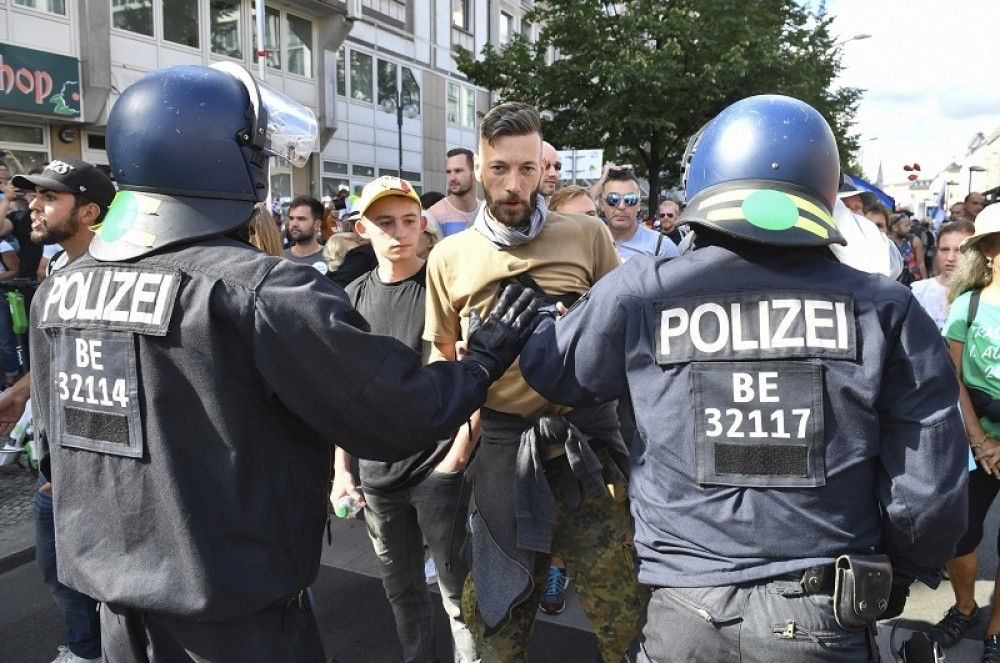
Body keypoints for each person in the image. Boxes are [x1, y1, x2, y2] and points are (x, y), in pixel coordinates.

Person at [28, 62, 542, 663]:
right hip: (239, 619)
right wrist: (482, 360)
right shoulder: (264, 291)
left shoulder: (57, 293)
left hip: (120, 619)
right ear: (221, 159)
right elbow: (397, 413)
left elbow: (54, 448)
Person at [518, 94, 969, 663]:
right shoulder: (884, 310)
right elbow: (928, 495)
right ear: (824, 188)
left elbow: (555, 373)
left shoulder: (643, 293)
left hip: (682, 610)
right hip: (822, 615)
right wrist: (903, 569)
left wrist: (539, 318)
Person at [424, 101, 645, 663]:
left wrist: (580, 328)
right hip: (501, 455)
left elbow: (627, 333)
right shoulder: (450, 256)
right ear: (479, 167)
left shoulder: (587, 235)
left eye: (527, 168)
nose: (514, 184)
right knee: (497, 628)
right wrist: (459, 433)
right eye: (500, 168)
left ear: (543, 167)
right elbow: (440, 357)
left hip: (585, 453)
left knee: (628, 624)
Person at [331, 176, 478, 663]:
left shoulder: (445, 286)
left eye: (409, 221)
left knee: (458, 597)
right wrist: (342, 471)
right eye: (385, 222)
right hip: (378, 476)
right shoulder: (349, 297)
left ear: (423, 224)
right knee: (403, 594)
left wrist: (454, 460)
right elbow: (344, 395)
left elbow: (472, 377)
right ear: (362, 229)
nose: (400, 232)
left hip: (438, 468)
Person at [2, 157, 115, 663]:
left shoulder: (119, 272)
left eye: (49, 197)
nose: (33, 206)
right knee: (57, 569)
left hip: (97, 464)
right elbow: (58, 355)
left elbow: (117, 377)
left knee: (112, 577)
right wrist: (22, 393)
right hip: (53, 459)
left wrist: (78, 460)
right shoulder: (56, 267)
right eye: (32, 196)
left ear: (89, 211)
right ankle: (86, 650)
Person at [933, 203, 1000, 661]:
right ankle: (965, 606)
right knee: (959, 535)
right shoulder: (969, 302)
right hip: (976, 442)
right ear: (992, 250)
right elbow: (951, 376)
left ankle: (996, 628)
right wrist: (981, 440)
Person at [600, 167, 678, 261]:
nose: (621, 206)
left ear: (639, 205)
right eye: (613, 199)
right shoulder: (590, 245)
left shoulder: (661, 247)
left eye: (630, 199)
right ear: (602, 205)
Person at [911, 220, 975, 331]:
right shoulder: (917, 291)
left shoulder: (985, 295)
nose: (950, 258)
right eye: (944, 250)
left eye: (960, 250)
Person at [428, 148, 480, 238]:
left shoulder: (486, 212)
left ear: (474, 173)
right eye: (448, 172)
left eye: (458, 171)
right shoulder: (435, 215)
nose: (452, 178)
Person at [284, 194, 327, 272]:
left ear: (317, 225)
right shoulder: (281, 259)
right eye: (291, 218)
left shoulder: (331, 259)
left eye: (301, 219)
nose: (294, 224)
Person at [888, 211, 925, 285]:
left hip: (912, 283)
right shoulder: (885, 242)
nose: (910, 228)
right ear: (895, 227)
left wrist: (925, 284)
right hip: (891, 283)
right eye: (906, 225)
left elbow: (921, 264)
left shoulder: (915, 241)